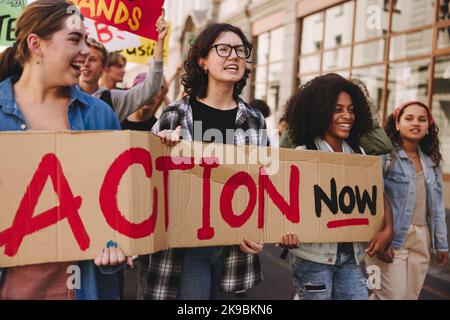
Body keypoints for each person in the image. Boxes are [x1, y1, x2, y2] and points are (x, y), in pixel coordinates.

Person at [0, 0, 130, 300]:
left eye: (86, 39)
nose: (86, 50)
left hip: (82, 288)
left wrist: (115, 247)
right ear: (37, 45)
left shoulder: (100, 115)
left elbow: (118, 207)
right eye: (75, 39)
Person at [146, 23, 268, 300]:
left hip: (235, 247)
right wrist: (159, 145)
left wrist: (262, 230)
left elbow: (265, 180)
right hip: (187, 248)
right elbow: (145, 178)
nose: (234, 56)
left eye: (240, 50)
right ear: (202, 61)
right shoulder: (175, 114)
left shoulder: (254, 119)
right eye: (223, 49)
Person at [281, 73, 394, 300]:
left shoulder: (358, 153)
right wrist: (283, 232)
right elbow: (280, 203)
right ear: (319, 110)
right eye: (337, 109)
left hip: (351, 256)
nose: (347, 116)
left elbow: (376, 195)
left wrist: (388, 228)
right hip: (313, 257)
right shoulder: (302, 155)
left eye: (352, 109)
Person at [366, 101, 449, 300]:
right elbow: (371, 197)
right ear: (397, 124)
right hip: (391, 236)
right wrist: (380, 235)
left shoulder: (432, 162)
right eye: (409, 118)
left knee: (409, 297)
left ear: (428, 126)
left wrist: (441, 244)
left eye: (422, 120)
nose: (416, 123)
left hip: (421, 238)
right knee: (389, 296)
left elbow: (437, 208)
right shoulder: (385, 157)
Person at [79, 11, 167, 123]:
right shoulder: (61, 94)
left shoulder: (114, 100)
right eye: (82, 57)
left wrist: (159, 42)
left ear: (103, 67)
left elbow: (151, 87)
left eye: (92, 59)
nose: (85, 63)